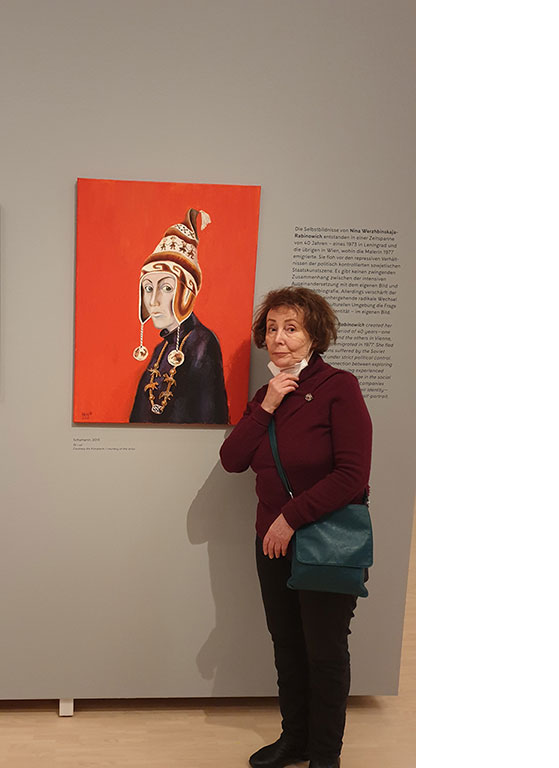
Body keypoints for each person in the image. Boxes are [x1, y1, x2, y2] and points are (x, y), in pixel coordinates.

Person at [219, 286, 372, 768]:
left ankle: (325, 756)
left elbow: (352, 476)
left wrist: (290, 517)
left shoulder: (338, 387)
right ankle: (296, 740)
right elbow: (231, 460)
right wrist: (265, 407)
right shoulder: (265, 396)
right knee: (287, 648)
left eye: (291, 328)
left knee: (325, 653)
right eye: (271, 328)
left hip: (324, 540)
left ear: (314, 336)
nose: (279, 339)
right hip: (272, 544)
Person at [128, 208, 228, 423]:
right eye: (147, 288)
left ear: (186, 292)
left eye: (165, 288)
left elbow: (210, 420)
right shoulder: (159, 349)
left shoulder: (203, 343)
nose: (153, 301)